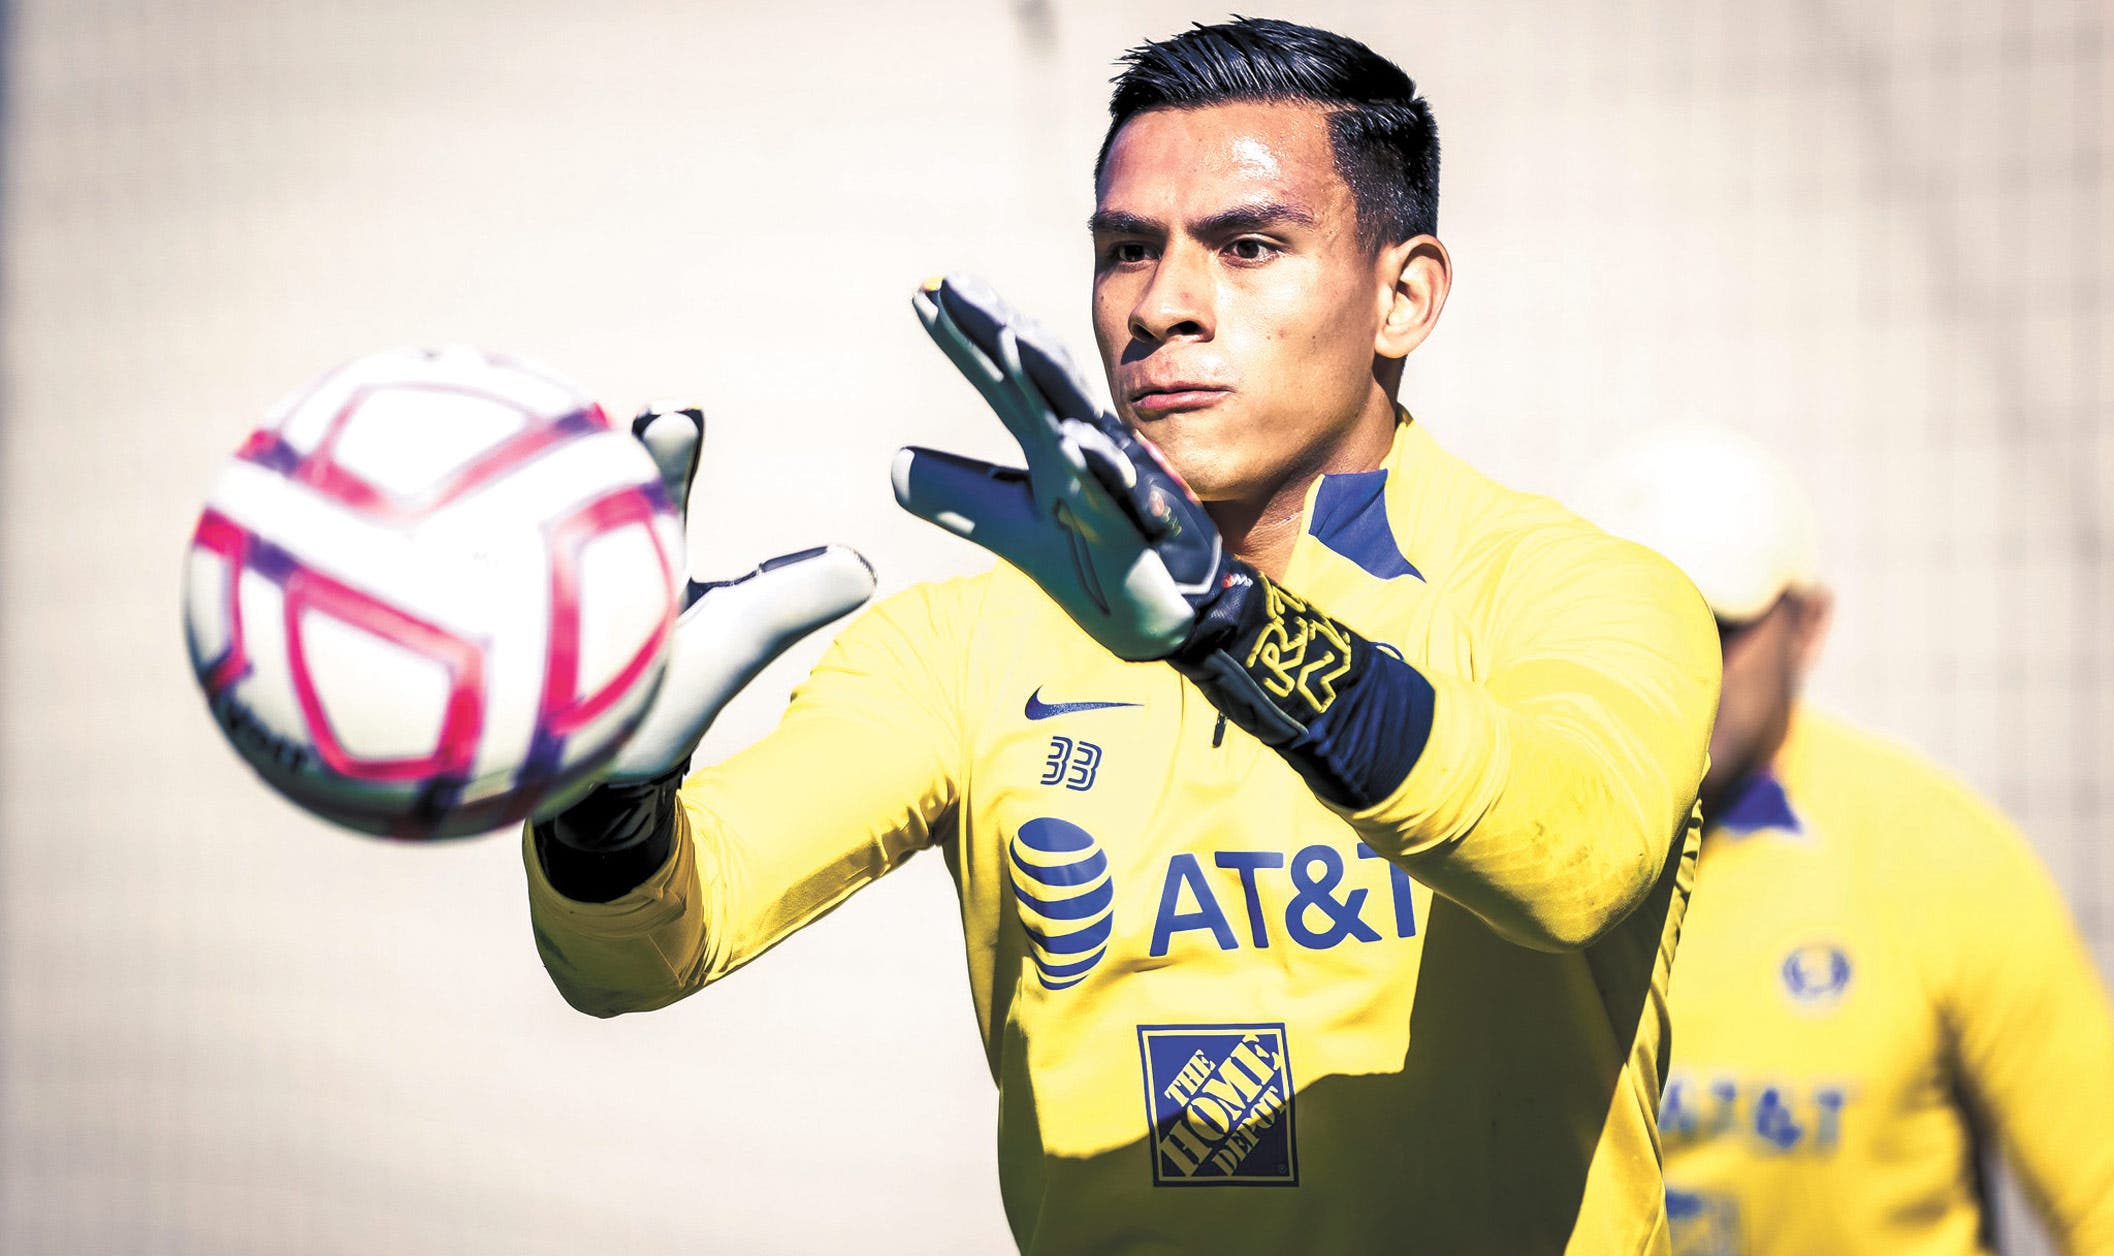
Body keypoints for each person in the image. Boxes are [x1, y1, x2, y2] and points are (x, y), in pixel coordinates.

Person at [526, 19, 1720, 1253]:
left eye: (1247, 247)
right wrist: (601, 804)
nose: (1160, 307)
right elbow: (640, 951)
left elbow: (1573, 859)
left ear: (1401, 296)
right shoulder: (960, 641)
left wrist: (1230, 628)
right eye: (1125, 251)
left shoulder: (1580, 592)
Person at [1575, 429, 2114, 1256]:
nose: (1676, 665)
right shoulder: (1513, 857)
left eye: (1716, 624)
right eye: (1637, 625)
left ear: (1807, 623)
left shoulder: (1937, 858)